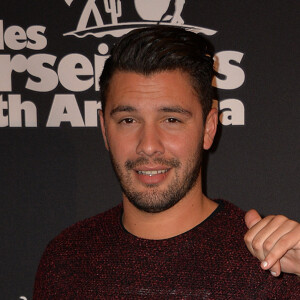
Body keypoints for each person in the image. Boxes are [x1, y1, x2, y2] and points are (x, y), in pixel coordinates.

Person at [33, 26, 300, 298]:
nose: (148, 145)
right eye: (128, 120)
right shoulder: (65, 261)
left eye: (171, 120)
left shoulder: (273, 265)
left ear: (209, 127)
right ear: (104, 129)